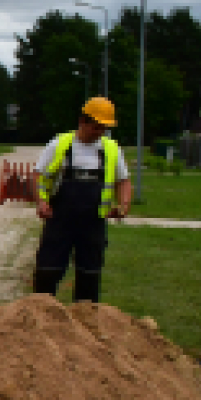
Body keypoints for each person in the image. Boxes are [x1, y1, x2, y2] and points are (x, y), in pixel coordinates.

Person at [33, 97, 132, 303]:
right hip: (59, 219)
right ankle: (40, 313)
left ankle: (85, 317)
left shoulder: (111, 149)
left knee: (89, 274)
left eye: (104, 128)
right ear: (82, 121)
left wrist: (123, 205)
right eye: (96, 127)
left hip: (93, 223)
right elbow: (38, 175)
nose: (100, 132)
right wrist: (41, 202)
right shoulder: (60, 144)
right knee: (48, 270)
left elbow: (123, 181)